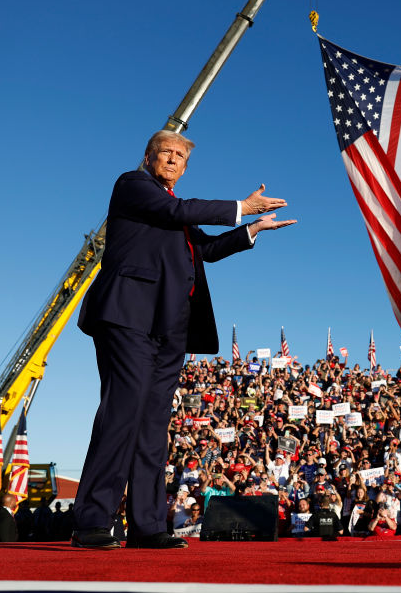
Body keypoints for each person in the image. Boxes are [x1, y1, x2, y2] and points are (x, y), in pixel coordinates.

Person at [71, 130, 295, 550]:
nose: (173, 159)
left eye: (180, 156)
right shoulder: (135, 186)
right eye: (166, 153)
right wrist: (240, 206)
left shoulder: (178, 211)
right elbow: (178, 211)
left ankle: (148, 526)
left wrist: (250, 228)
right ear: (148, 157)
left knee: (154, 425)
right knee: (123, 413)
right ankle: (92, 521)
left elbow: (205, 249)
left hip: (172, 327)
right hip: (128, 316)